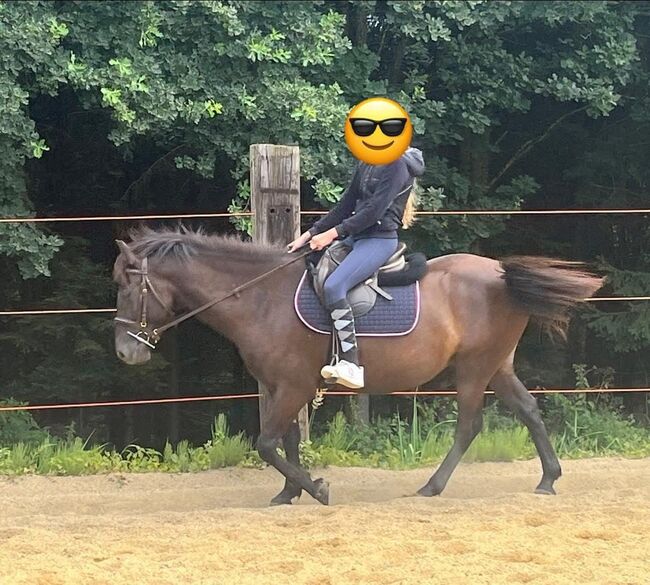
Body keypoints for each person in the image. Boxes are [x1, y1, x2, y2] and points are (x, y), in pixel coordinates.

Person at [288, 147, 425, 389]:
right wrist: (309, 234)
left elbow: (373, 212)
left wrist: (331, 234)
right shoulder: (367, 162)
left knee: (334, 285)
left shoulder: (397, 165)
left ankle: (350, 363)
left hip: (379, 239)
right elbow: (345, 206)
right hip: (357, 237)